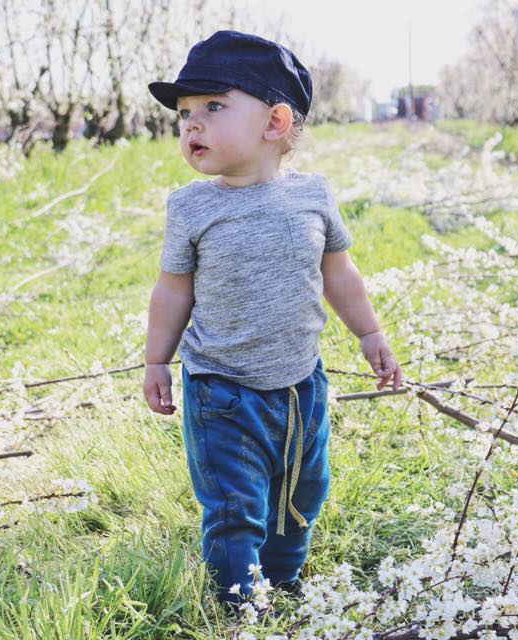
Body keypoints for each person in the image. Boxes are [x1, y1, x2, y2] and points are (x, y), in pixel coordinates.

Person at [142, 30, 403, 604]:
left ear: (276, 123)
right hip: (221, 390)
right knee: (235, 506)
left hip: (301, 387)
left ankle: (284, 581)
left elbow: (339, 274)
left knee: (302, 495)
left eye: (213, 106)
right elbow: (171, 291)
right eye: (184, 112)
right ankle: (240, 603)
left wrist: (371, 333)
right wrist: (157, 361)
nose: (191, 124)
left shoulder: (312, 196)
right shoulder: (192, 206)